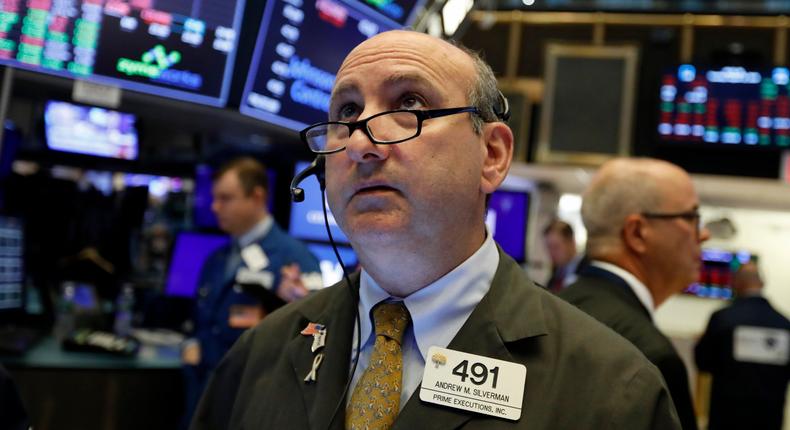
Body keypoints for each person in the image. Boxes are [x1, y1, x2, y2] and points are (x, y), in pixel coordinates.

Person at [191, 31, 681, 430]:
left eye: (410, 103)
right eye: (346, 113)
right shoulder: (260, 354)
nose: (364, 142)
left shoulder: (614, 391)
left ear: (492, 156)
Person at [559, 157, 709, 430]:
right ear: (637, 233)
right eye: (691, 218)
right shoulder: (651, 356)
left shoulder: (550, 312)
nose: (705, 234)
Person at [182, 157, 322, 425]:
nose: (215, 207)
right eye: (215, 198)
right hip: (202, 393)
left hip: (253, 400)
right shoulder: (217, 258)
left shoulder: (295, 258)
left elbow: (315, 339)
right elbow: (200, 321)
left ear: (257, 197)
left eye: (226, 198)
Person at [695, 261, 790, 430]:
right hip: (769, 421)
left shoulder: (722, 319)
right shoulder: (784, 325)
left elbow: (703, 363)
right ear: (762, 283)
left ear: (735, 283)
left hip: (726, 420)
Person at [542, 219, 582, 292]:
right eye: (549, 247)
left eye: (556, 247)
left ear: (571, 243)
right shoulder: (556, 273)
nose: (551, 253)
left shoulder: (586, 271)